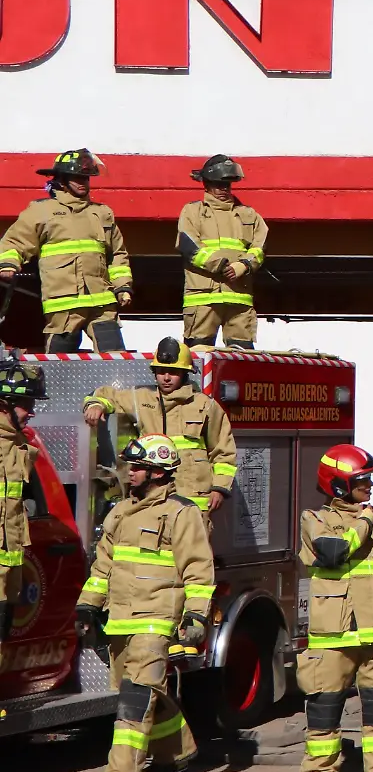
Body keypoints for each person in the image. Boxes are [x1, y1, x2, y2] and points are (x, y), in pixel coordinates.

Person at [75, 435, 215, 772]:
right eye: (131, 466)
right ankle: (176, 752)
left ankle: (122, 771)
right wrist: (87, 607)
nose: (131, 473)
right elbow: (102, 566)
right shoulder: (120, 512)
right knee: (146, 690)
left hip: (156, 618)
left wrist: (196, 613)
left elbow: (198, 568)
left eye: (139, 468)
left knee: (137, 694)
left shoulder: (181, 513)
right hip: (120, 618)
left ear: (158, 472)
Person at [298, 445, 373, 772]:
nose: (370, 488)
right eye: (362, 481)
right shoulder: (315, 519)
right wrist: (364, 517)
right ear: (338, 485)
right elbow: (335, 552)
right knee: (324, 709)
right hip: (332, 635)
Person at [83, 338, 237, 515]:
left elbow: (223, 451)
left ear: (186, 373)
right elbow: (106, 395)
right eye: (161, 371)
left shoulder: (205, 405)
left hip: (193, 499)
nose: (166, 378)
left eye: (173, 372)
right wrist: (96, 405)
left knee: (191, 543)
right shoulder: (141, 398)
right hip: (151, 497)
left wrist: (219, 488)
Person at [0, 149, 131, 352]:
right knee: (58, 367)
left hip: (102, 304)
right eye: (76, 177)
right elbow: (14, 242)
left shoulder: (102, 213)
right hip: (63, 305)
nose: (82, 182)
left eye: (86, 178)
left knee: (115, 361)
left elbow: (117, 254)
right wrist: (8, 264)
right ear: (61, 180)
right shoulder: (40, 210)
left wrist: (123, 286)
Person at [177, 154, 268, 350]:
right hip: (202, 300)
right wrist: (221, 266)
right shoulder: (192, 212)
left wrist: (243, 265)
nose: (224, 189)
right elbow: (189, 246)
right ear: (206, 184)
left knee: (243, 360)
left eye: (228, 184)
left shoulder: (249, 214)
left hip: (239, 299)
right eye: (219, 184)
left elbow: (260, 247)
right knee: (197, 358)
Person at [0, 358, 43, 640]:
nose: (31, 412)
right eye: (26, 404)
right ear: (5, 403)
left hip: (6, 584)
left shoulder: (18, 446)